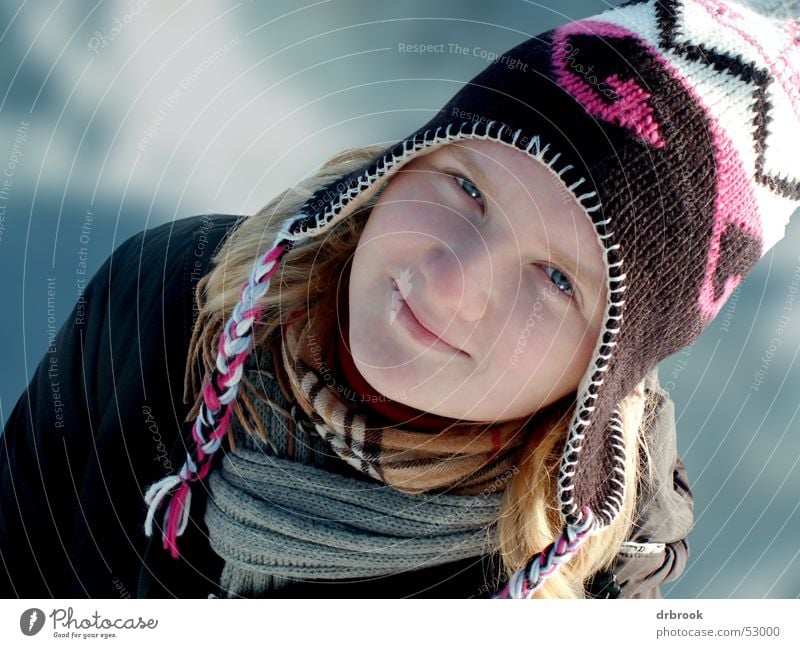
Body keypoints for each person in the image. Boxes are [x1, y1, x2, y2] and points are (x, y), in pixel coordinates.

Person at [1, 0, 797, 599]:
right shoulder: (171, 295)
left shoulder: (589, 582)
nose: (450, 283)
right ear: (402, 164)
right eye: (467, 187)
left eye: (558, 279)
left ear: (605, 368)